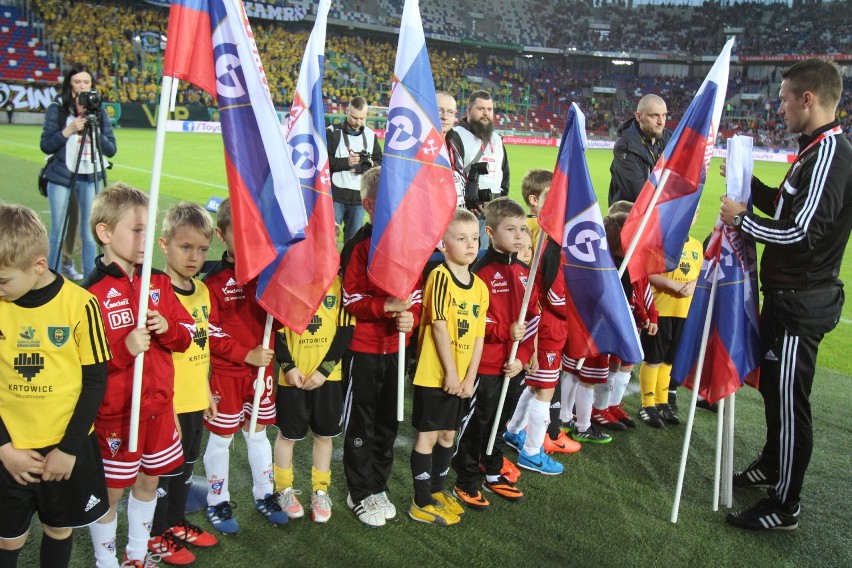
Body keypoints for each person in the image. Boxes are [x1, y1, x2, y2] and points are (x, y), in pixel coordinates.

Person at [720, 58, 852, 531]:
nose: (778, 107)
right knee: (776, 393)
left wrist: (740, 219)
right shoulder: (813, 149)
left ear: (807, 99)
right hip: (786, 297)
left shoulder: (830, 154)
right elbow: (787, 204)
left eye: (783, 98)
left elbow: (800, 233)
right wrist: (749, 188)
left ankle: (785, 504)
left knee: (792, 404)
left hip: (802, 303)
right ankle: (773, 466)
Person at [82, 184, 194, 568]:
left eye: (150, 230)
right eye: (137, 230)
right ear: (105, 233)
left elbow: (187, 336)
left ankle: (136, 554)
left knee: (149, 483)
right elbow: (82, 364)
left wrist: (168, 327)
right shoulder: (90, 293)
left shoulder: (159, 282)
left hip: (158, 410)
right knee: (111, 491)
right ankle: (105, 560)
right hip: (115, 417)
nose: (146, 239)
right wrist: (122, 349)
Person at [0, 204, 110, 568]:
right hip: (10, 449)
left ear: (38, 265)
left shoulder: (80, 305)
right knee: (8, 537)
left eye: (3, 281)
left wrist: (68, 449)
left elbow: (95, 382)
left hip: (64, 450)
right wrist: (4, 448)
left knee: (59, 529)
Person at [340, 166, 421, 528]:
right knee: (363, 423)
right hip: (364, 349)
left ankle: (378, 485)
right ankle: (358, 491)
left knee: (389, 422)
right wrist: (385, 307)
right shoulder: (358, 246)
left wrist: (411, 319)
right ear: (369, 204)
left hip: (395, 350)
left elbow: (415, 295)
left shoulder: (407, 245)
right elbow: (349, 298)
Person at [201, 199, 287, 534]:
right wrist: (244, 354)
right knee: (222, 439)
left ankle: (265, 494)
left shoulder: (266, 275)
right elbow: (209, 331)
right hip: (228, 374)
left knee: (257, 435)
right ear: (221, 234)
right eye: (239, 232)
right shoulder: (213, 282)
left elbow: (275, 321)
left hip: (261, 374)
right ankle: (217, 501)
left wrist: (282, 313)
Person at [452, 197, 539, 510]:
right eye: (510, 229)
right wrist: (504, 332)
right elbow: (471, 319)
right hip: (485, 365)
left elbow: (532, 319)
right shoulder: (480, 270)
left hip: (513, 366)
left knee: (501, 421)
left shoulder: (526, 272)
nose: (519, 236)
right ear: (489, 232)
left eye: (522, 229)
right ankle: (466, 477)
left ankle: (492, 469)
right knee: (478, 422)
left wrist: (522, 354)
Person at [147, 203, 219, 565]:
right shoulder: (154, 294)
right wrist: (165, 405)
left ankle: (176, 523)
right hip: (168, 405)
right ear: (164, 244)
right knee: (163, 473)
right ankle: (155, 534)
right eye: (185, 247)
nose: (194, 257)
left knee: (186, 468)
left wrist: (205, 390)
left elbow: (201, 346)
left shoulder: (203, 291)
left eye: (202, 249)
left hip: (194, 398)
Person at [409, 208, 488, 526]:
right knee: (427, 437)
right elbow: (439, 327)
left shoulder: (480, 288)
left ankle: (438, 491)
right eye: (461, 238)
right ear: (443, 244)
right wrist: (452, 375)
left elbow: (479, 336)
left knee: (447, 436)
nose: (470, 245)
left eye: (474, 238)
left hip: (461, 381)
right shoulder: (440, 277)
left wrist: (469, 378)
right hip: (435, 375)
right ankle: (420, 501)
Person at [272, 275, 354, 524]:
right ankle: (284, 490)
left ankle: (320, 492)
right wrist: (288, 366)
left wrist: (324, 370)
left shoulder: (340, 284)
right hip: (292, 378)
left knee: (324, 436)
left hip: (326, 378)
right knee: (287, 436)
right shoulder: (287, 281)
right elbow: (276, 330)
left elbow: (345, 330)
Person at [40, 63, 117, 278]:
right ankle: (51, 277)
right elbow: (46, 145)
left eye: (86, 82)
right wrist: (69, 130)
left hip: (91, 175)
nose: (82, 86)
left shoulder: (99, 110)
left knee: (89, 233)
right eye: (77, 82)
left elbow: (111, 149)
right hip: (61, 176)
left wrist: (94, 131)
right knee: (58, 231)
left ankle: (92, 279)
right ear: (69, 84)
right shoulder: (58, 108)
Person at [638, 212, 701, 428]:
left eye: (693, 212)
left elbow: (700, 274)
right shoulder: (660, 243)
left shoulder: (696, 246)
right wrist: (673, 286)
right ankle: (647, 404)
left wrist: (693, 285)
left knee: (669, 359)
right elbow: (647, 273)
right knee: (654, 357)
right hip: (661, 310)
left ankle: (662, 401)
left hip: (683, 312)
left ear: (696, 217)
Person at [453, 91, 510, 248]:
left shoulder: (497, 139)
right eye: (480, 109)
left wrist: (502, 203)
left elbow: (504, 175)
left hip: (495, 211)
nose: (486, 113)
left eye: (489, 109)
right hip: (468, 211)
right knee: (470, 256)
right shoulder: (456, 136)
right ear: (469, 110)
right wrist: (465, 205)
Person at [327, 96, 383, 244]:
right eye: (354, 117)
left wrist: (370, 163)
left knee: (352, 241)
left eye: (361, 118)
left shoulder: (371, 135)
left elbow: (380, 162)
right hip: (336, 195)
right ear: (347, 111)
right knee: (330, 237)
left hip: (359, 197)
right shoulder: (333, 132)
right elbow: (323, 162)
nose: (357, 122)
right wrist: (346, 162)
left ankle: (346, 267)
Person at [608, 94, 670, 206]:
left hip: (657, 216)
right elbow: (638, 193)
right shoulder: (625, 146)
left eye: (664, 115)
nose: (661, 122)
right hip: (628, 217)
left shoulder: (670, 140)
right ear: (638, 116)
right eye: (654, 116)